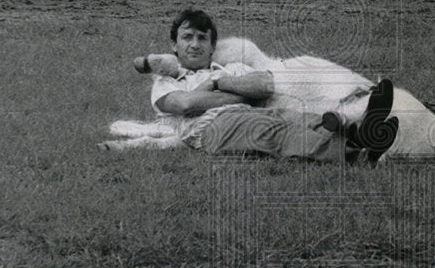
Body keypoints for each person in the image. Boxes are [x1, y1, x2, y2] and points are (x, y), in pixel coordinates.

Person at [147, 10, 397, 164]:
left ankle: (362, 131)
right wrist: (237, 94)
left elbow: (264, 86)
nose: (195, 45)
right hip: (210, 129)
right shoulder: (166, 82)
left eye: (203, 38)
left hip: (250, 112)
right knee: (281, 133)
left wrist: (215, 82)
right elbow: (185, 104)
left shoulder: (224, 71)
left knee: (302, 119)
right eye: (187, 37)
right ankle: (356, 156)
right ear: (174, 45)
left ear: (213, 47)